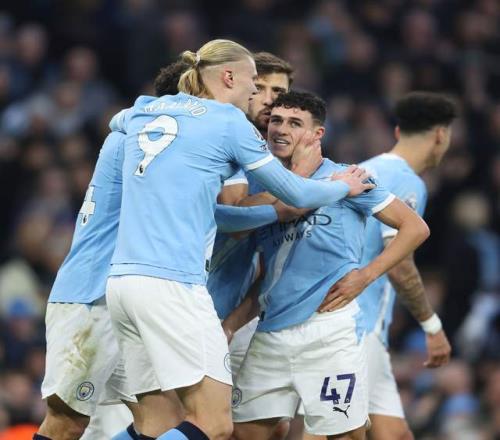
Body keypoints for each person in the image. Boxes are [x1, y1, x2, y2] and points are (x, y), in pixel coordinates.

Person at [105, 39, 375, 440]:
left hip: (123, 283)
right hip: (175, 286)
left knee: (157, 422)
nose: (257, 94)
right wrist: (341, 186)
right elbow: (293, 194)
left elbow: (118, 121)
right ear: (229, 77)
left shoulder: (146, 108)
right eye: (254, 83)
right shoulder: (229, 123)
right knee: (215, 424)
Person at [230, 90, 430, 440]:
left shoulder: (349, 178)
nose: (281, 129)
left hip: (328, 332)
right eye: (276, 120)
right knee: (241, 434)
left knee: (346, 436)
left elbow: (415, 228)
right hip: (271, 330)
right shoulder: (265, 186)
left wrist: (365, 276)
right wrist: (231, 325)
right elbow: (242, 230)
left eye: (295, 123)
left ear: (317, 134)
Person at [325, 91, 456, 440]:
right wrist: (432, 326)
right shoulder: (408, 182)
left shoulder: (365, 168)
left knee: (394, 434)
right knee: (330, 432)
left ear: (398, 131)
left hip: (355, 324)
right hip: (356, 326)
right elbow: (400, 264)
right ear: (441, 135)